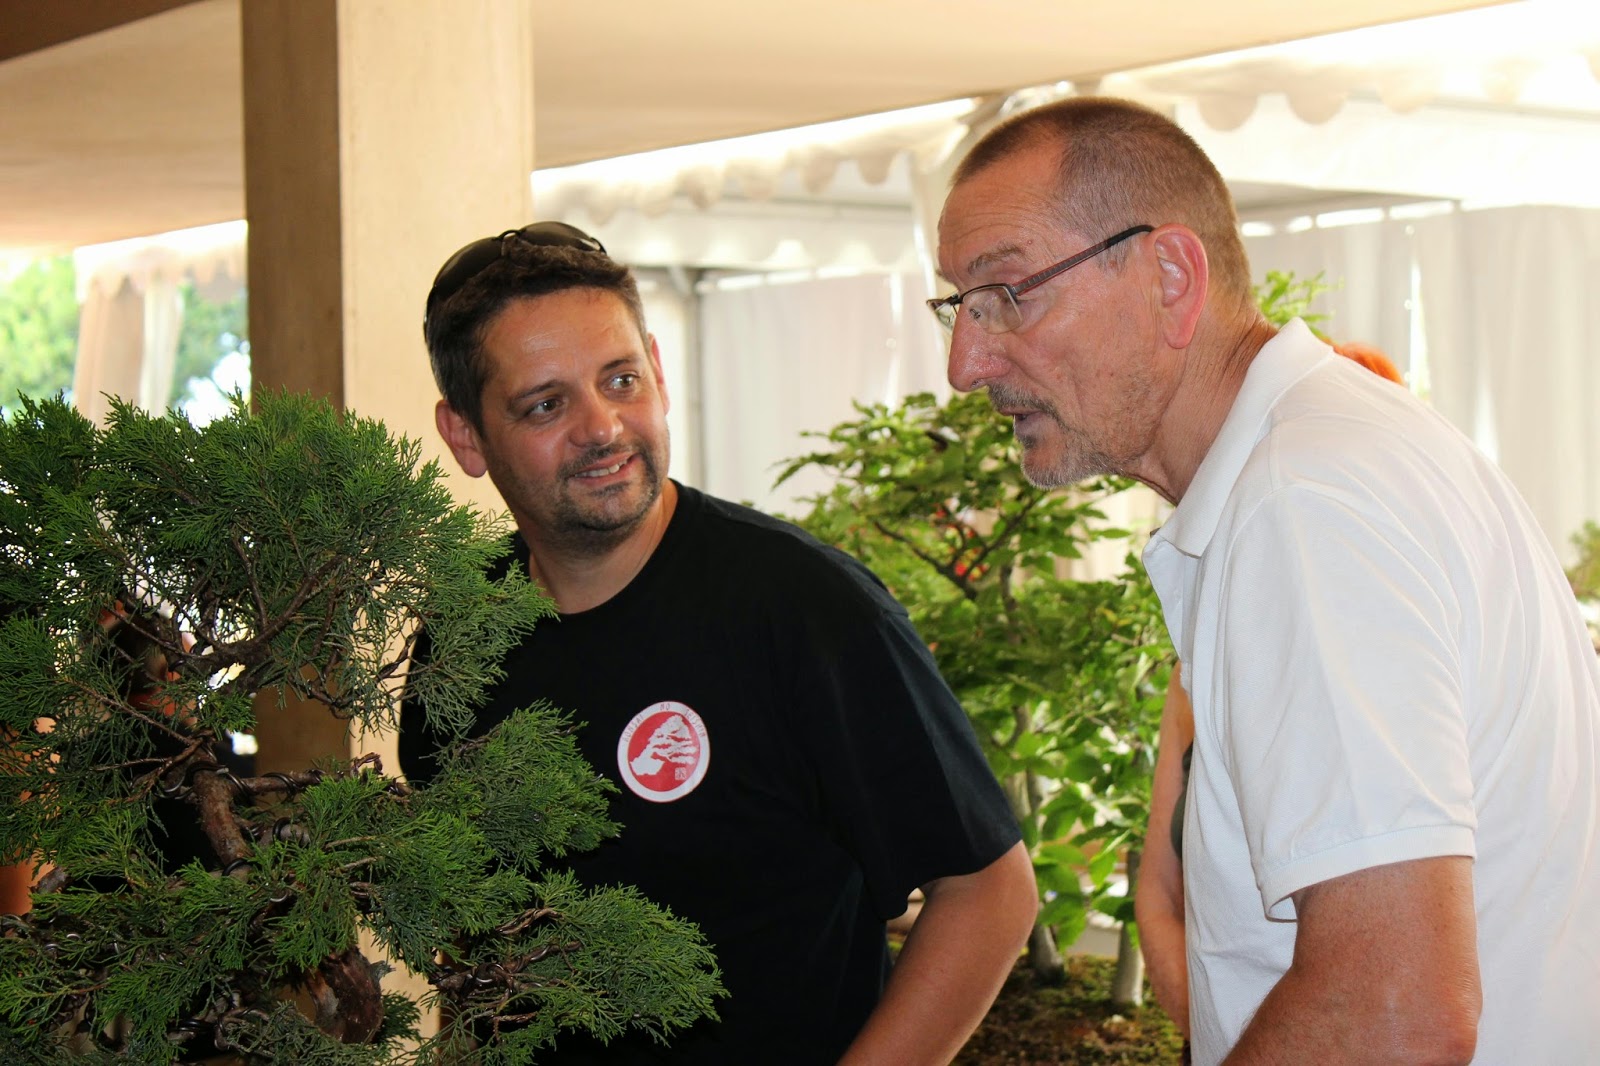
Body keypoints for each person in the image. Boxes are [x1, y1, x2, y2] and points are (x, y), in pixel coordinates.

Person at [932, 96, 1600, 1064]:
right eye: (959, 304)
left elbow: (1394, 1007)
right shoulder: (1328, 456)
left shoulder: (1304, 502)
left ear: (1169, 275)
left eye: (1008, 293)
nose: (965, 361)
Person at [399, 221, 1038, 1064]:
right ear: (467, 437)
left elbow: (989, 890)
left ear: (659, 374)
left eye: (620, 380)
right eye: (546, 404)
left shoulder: (806, 610)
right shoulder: (461, 630)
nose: (602, 427)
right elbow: (477, 931)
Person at [1134, 343, 1408, 1046]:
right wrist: (1218, 1031)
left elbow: (1390, 978)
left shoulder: (1380, 658)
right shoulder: (1197, 661)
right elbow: (1161, 892)